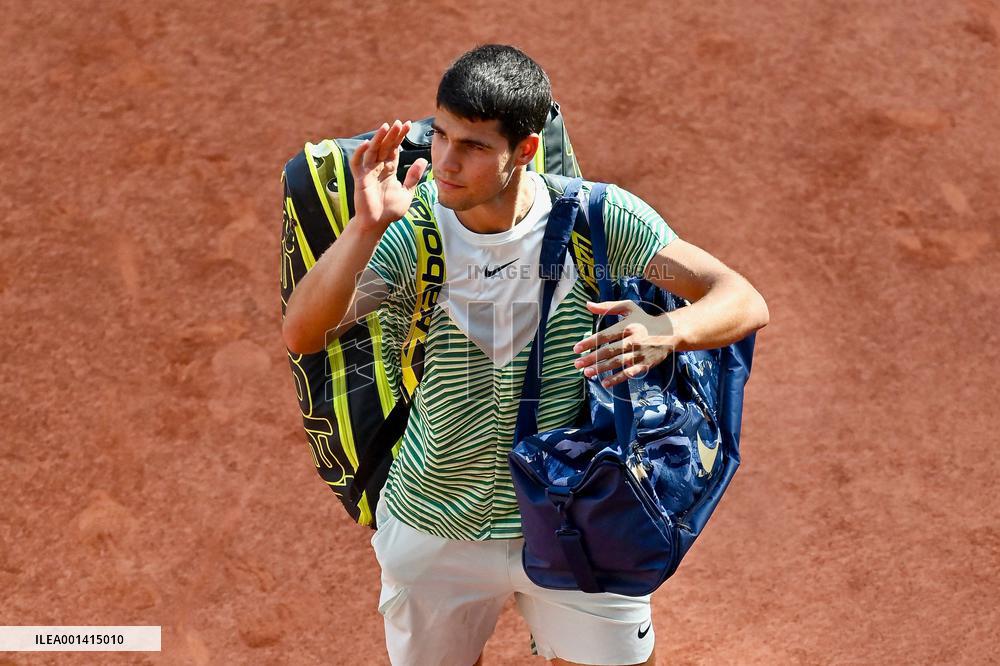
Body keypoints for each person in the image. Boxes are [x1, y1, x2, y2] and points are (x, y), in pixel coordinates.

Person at [283, 44, 769, 666]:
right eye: (442, 136)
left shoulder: (597, 217)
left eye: (474, 146)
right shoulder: (416, 230)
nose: (446, 162)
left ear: (525, 150)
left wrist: (667, 330)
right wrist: (366, 227)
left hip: (578, 513)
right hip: (432, 522)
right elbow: (304, 333)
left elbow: (740, 298)